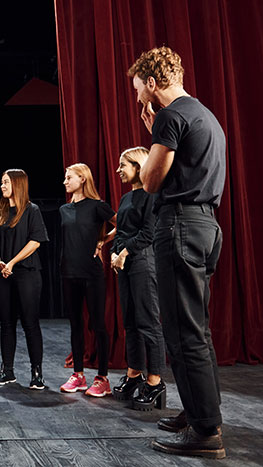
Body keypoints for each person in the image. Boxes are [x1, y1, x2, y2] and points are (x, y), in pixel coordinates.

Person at [129, 46, 226, 459]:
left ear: (152, 83)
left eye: (138, 90)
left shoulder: (170, 116)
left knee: (184, 334)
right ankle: (200, 411)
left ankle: (206, 432)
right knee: (197, 329)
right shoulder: (205, 114)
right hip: (207, 226)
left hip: (182, 226)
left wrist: (154, 134)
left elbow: (150, 182)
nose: (137, 100)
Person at [110, 148, 166, 410]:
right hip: (124, 263)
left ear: (138, 166)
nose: (118, 169)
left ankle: (155, 381)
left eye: (123, 165)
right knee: (130, 321)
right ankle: (134, 374)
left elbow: (148, 233)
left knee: (147, 322)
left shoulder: (151, 195)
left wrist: (123, 252)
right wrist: (114, 253)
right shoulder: (125, 198)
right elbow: (121, 231)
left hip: (142, 262)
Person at [58, 163, 116, 397]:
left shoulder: (97, 206)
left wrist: (103, 242)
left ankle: (102, 378)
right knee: (75, 324)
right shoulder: (64, 209)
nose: (65, 181)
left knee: (98, 324)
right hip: (69, 272)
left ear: (82, 179)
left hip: (91, 273)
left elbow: (121, 224)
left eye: (69, 177)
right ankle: (79, 375)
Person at [0, 169, 49, 390]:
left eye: (6, 182)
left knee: (30, 323)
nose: (2, 186)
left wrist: (12, 262)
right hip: (5, 274)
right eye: (2, 182)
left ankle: (37, 373)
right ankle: (8, 371)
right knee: (6, 324)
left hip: (27, 273)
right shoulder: (0, 214)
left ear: (17, 184)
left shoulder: (32, 210)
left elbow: (36, 241)